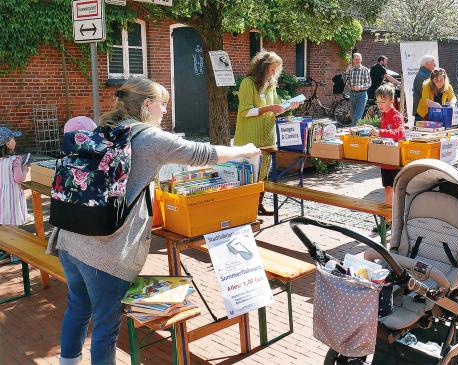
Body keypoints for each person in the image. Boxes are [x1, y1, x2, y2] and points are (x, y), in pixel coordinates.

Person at [48, 77, 261, 365]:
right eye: (162, 105)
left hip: (70, 238)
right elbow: (201, 154)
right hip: (103, 252)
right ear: (147, 105)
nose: (164, 112)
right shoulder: (149, 138)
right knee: (105, 326)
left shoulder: (107, 129)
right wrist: (244, 149)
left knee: (77, 308)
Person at [233, 51, 300, 215]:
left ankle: (258, 206)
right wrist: (269, 108)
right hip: (250, 137)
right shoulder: (248, 83)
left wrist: (288, 106)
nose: (274, 73)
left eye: (277, 69)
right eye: (272, 69)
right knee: (249, 176)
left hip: (267, 137)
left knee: (263, 174)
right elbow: (245, 112)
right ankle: (247, 210)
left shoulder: (271, 85)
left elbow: (276, 108)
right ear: (263, 67)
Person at [369, 83, 405, 207]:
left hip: (393, 160)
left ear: (391, 100)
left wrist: (380, 132)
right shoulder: (384, 115)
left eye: (382, 102)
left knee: (392, 189)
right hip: (386, 159)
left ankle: (391, 217)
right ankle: (389, 217)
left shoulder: (396, 116)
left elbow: (400, 133)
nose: (379, 105)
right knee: (387, 188)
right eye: (378, 102)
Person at [0, 127, 28, 226]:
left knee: (3, 221)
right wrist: (24, 170)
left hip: (1, 194)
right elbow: (19, 179)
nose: (15, 141)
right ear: (7, 144)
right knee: (12, 222)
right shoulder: (15, 160)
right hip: (12, 196)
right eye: (13, 139)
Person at [344, 53, 371, 125]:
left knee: (357, 116)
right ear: (353, 60)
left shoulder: (365, 70)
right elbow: (345, 82)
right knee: (353, 116)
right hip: (352, 94)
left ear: (361, 60)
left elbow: (369, 83)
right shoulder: (350, 70)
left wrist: (360, 87)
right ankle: (355, 132)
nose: (358, 61)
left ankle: (353, 129)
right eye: (356, 59)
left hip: (362, 94)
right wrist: (346, 71)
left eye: (359, 59)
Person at [413, 55, 437, 121]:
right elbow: (427, 94)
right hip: (423, 112)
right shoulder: (422, 76)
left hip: (426, 111)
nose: (435, 65)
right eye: (433, 62)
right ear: (427, 63)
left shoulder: (426, 75)